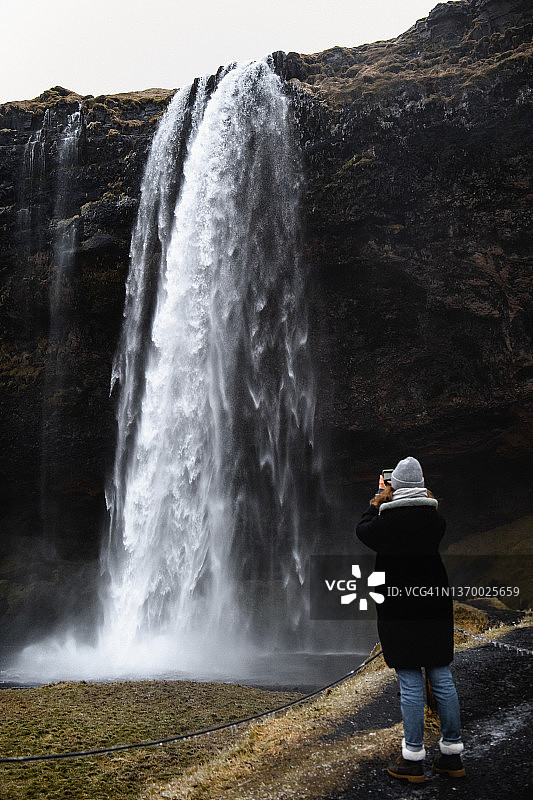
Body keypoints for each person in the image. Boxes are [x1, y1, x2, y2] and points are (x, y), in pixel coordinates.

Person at [356, 456, 465, 783]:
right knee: (442, 677)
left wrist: (377, 499)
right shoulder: (436, 521)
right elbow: (424, 507)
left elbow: (362, 529)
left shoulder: (383, 524)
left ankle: (413, 758)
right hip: (433, 607)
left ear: (393, 484)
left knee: (411, 681)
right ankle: (452, 755)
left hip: (401, 611)